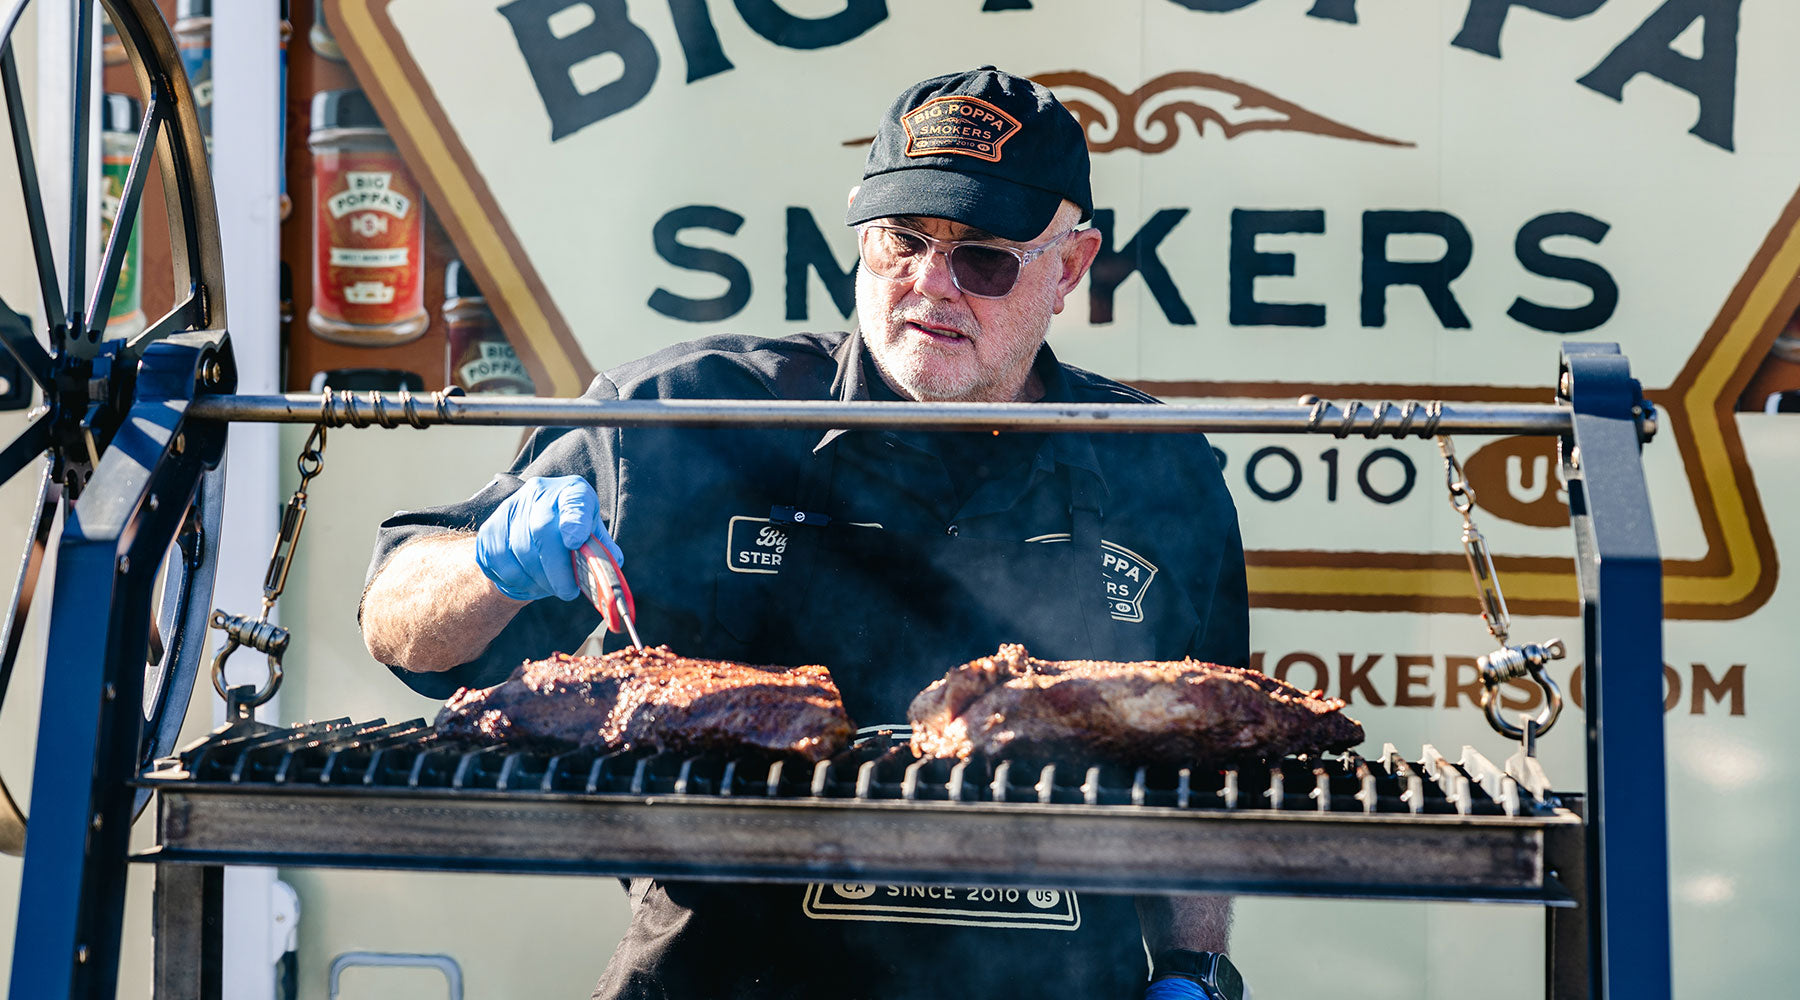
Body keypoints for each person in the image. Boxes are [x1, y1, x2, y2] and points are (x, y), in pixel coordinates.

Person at [361, 66, 1250, 1000]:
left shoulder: (1159, 469)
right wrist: (497, 563)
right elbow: (398, 624)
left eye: (983, 258)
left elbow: (1195, 774)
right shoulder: (684, 418)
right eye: (902, 242)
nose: (929, 287)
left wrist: (1192, 971)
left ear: (1068, 265)